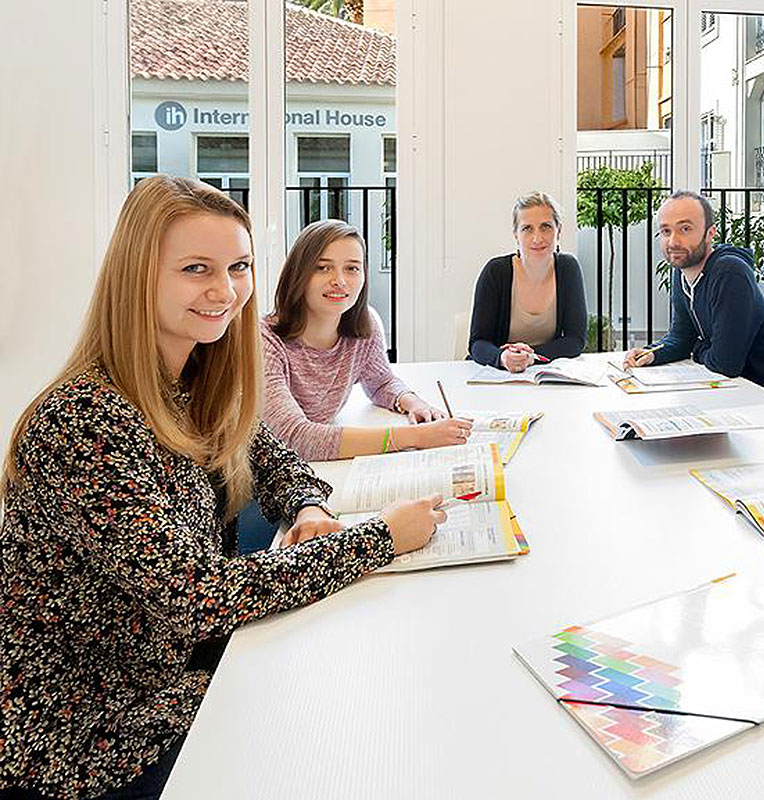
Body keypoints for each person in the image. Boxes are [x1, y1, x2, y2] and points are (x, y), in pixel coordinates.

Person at [0, 176, 444, 800]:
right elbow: (197, 596)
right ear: (137, 276)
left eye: (238, 267)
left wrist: (307, 505)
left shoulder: (196, 380)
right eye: (196, 269)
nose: (226, 291)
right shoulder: (84, 420)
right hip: (89, 731)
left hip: (174, 672)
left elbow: (272, 456)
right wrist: (381, 538)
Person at [262, 219, 471, 461]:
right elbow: (294, 439)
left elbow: (381, 382)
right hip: (261, 471)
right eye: (323, 267)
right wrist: (416, 437)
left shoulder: (365, 324)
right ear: (297, 274)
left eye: (352, 268)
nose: (339, 281)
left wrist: (414, 404)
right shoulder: (265, 340)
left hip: (318, 467)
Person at [622, 191, 764, 400]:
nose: (673, 242)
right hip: (738, 392)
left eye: (685, 229)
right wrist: (651, 353)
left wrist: (696, 348)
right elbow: (681, 338)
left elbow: (725, 364)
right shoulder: (680, 272)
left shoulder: (730, 272)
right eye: (666, 231)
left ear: (710, 233)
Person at [468, 191, 587, 372]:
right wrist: (502, 358)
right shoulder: (495, 272)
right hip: (497, 374)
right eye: (527, 229)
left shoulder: (568, 269)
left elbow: (576, 340)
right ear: (516, 235)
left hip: (544, 373)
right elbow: (478, 343)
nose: (537, 238)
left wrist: (531, 356)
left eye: (546, 227)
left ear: (559, 231)